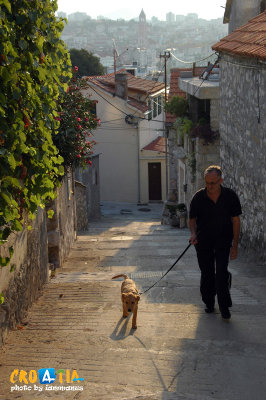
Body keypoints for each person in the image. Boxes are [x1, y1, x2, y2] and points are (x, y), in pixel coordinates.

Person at [189, 165, 242, 319]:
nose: (209, 187)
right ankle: (209, 303)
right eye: (207, 183)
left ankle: (224, 306)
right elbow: (192, 220)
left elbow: (236, 221)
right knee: (207, 274)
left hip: (223, 241)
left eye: (213, 183)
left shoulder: (230, 196)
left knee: (221, 272)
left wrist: (235, 245)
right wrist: (193, 234)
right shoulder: (198, 197)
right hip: (203, 242)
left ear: (221, 180)